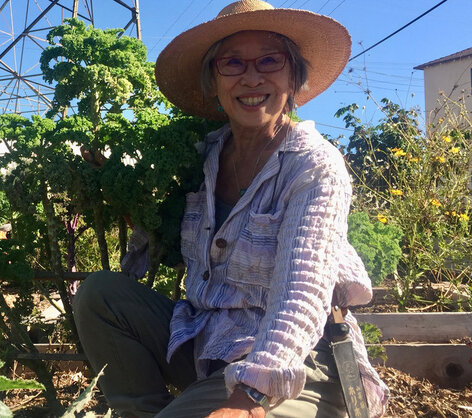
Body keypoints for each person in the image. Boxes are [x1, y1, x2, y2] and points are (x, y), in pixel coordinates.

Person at [73, 1, 389, 417]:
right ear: (214, 81)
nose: (252, 76)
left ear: (294, 76)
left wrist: (247, 399)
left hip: (296, 366)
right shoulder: (200, 157)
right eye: (233, 63)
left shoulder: (312, 165)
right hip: (208, 345)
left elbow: (303, 297)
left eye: (270, 60)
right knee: (100, 295)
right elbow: (151, 237)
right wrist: (132, 202)